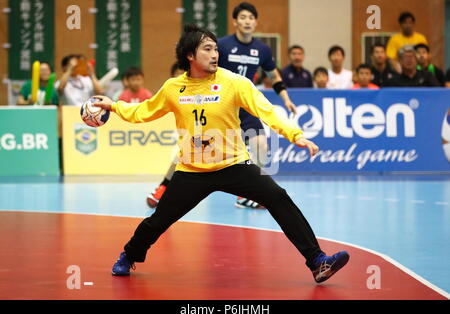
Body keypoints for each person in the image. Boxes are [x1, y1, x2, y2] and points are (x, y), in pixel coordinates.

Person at [92, 24, 350, 283]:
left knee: (278, 197)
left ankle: (317, 261)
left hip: (233, 165)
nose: (215, 54)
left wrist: (297, 135)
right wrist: (113, 106)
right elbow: (143, 111)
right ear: (191, 56)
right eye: (207, 49)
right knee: (158, 221)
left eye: (216, 48)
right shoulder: (173, 88)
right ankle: (129, 255)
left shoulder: (234, 83)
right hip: (192, 170)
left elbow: (267, 110)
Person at [147, 2, 297, 210]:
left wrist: (286, 98)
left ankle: (251, 196)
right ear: (235, 21)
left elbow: (274, 76)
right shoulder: (223, 46)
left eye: (251, 18)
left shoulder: (262, 49)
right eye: (242, 17)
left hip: (243, 105)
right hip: (219, 105)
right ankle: (164, 186)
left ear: (255, 22)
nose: (247, 21)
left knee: (262, 146)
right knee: (190, 148)